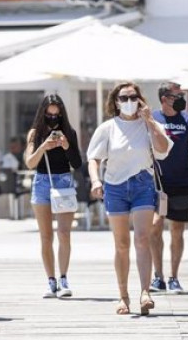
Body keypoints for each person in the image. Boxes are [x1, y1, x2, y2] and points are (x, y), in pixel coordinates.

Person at [87, 82, 173, 316]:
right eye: (123, 98)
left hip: (142, 183)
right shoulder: (107, 128)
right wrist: (96, 181)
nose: (128, 102)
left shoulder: (148, 125)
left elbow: (164, 149)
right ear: (115, 102)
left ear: (140, 99)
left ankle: (145, 292)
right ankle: (123, 296)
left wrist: (151, 121)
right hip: (114, 187)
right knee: (122, 244)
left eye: (132, 97)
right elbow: (93, 158)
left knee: (143, 238)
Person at [149, 82, 188, 294]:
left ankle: (173, 277)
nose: (182, 98)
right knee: (155, 227)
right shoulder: (153, 119)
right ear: (165, 98)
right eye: (178, 95)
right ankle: (158, 277)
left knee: (177, 230)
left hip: (182, 182)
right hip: (158, 184)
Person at [24, 94, 82, 298]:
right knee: (46, 236)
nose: (52, 119)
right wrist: (44, 146)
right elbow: (30, 163)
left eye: (56, 116)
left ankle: (64, 278)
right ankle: (51, 281)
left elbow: (77, 163)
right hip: (42, 182)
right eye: (48, 115)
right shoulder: (35, 133)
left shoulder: (69, 132)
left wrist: (66, 145)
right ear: (42, 114)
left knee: (64, 233)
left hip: (64, 182)